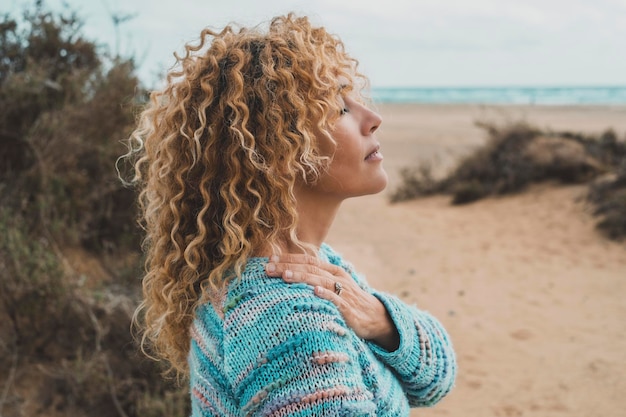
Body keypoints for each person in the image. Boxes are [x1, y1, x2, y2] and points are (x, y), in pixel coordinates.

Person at [125, 13, 456, 416]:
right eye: (338, 108)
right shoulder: (287, 313)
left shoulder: (315, 269)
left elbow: (436, 380)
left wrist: (382, 321)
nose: (372, 119)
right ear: (277, 152)